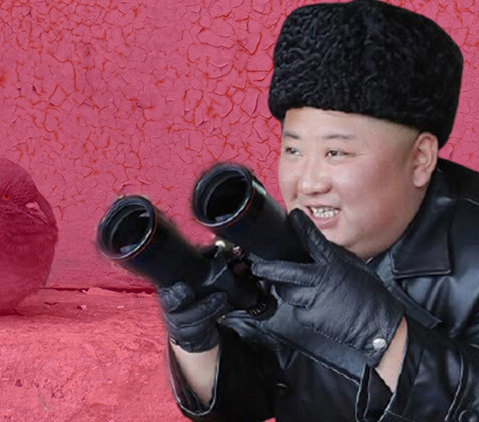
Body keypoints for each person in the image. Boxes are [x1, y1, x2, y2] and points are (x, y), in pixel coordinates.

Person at [158, 0, 479, 420]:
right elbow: (250, 397)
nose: (307, 183)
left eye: (335, 152)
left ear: (420, 159)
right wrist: (197, 345)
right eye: (293, 150)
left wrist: (383, 334)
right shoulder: (283, 243)